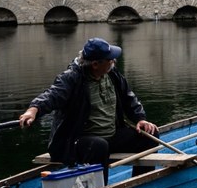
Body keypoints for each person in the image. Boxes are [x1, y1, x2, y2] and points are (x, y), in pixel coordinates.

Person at [19, 37, 159, 175]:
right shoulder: (72, 78)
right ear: (95, 64)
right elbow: (52, 95)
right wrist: (33, 110)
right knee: (98, 146)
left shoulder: (112, 73)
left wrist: (140, 119)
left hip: (111, 136)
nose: (113, 61)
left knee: (150, 134)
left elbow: (128, 97)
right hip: (76, 142)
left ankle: (141, 182)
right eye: (109, 59)